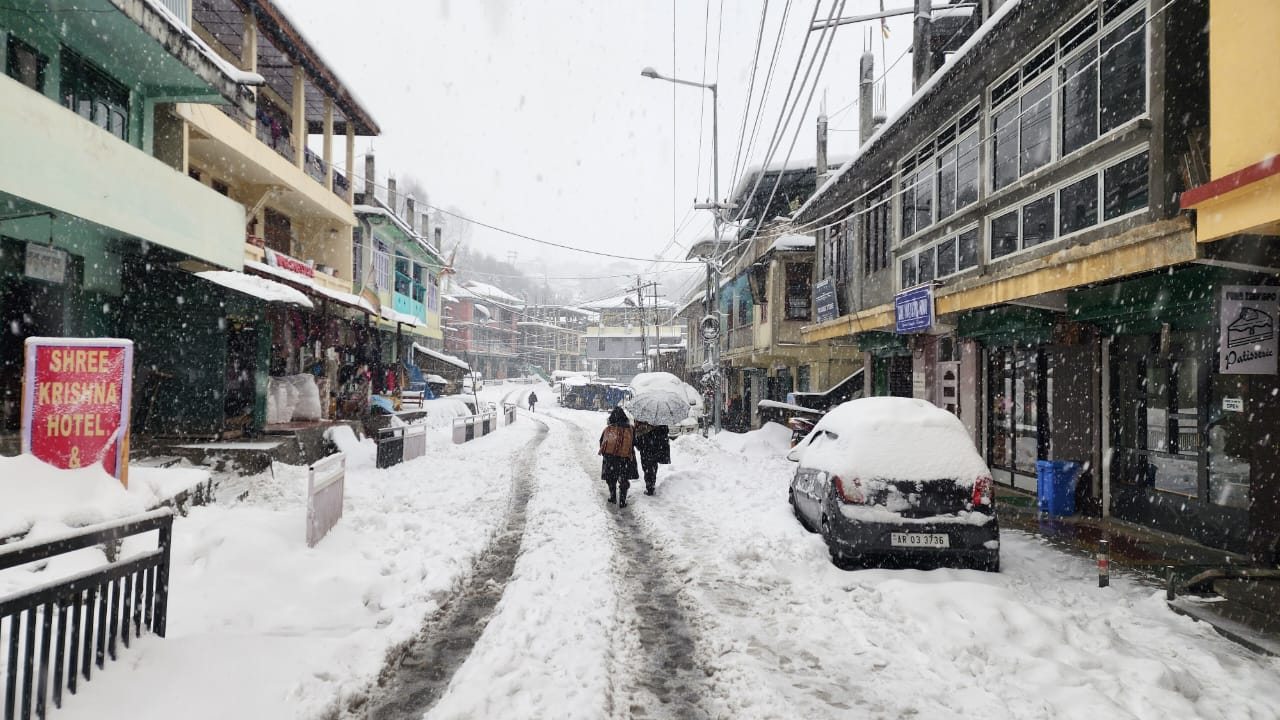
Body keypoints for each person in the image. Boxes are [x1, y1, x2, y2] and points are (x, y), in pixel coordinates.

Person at [599, 406, 638, 507]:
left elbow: (602, 442)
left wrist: (608, 455)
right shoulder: (630, 429)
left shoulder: (609, 429)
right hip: (625, 459)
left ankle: (612, 497)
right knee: (624, 480)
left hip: (611, 458)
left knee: (611, 478)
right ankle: (622, 501)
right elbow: (635, 443)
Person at [633, 421, 671, 496]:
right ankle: (651, 484)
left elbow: (638, 440)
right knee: (653, 467)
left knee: (647, 468)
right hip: (656, 449)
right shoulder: (660, 423)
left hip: (646, 450)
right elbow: (665, 433)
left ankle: (650, 487)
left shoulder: (642, 424)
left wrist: (639, 444)